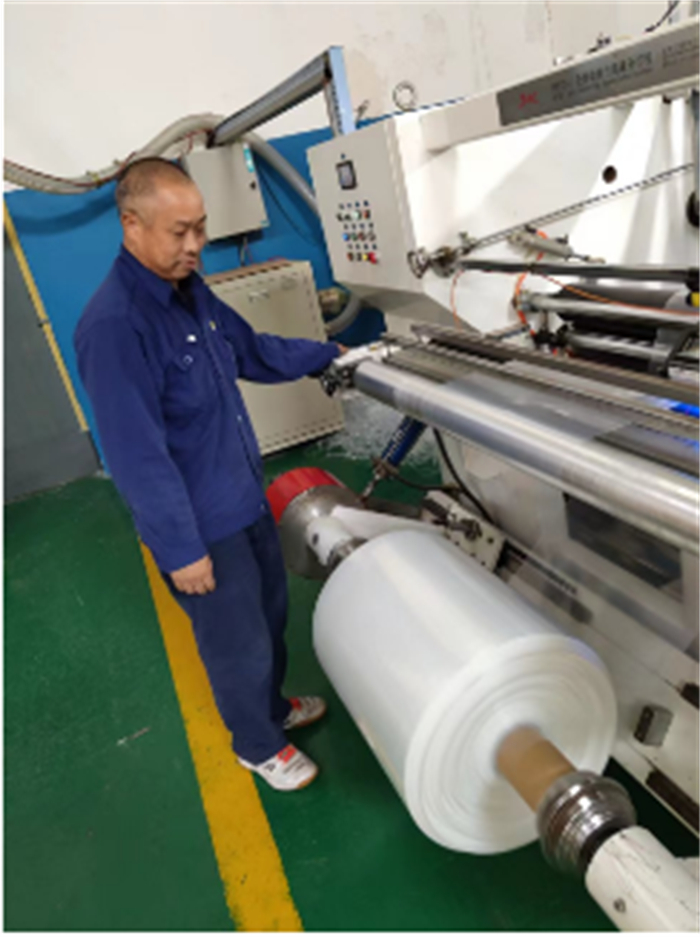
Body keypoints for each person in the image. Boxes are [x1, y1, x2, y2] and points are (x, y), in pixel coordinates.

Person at [74, 157, 346, 791]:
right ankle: (257, 744)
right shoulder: (115, 327)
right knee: (235, 640)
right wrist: (181, 550)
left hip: (243, 496)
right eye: (180, 232)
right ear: (132, 225)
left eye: (200, 227)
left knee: (269, 615)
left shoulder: (190, 291)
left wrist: (329, 355)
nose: (195, 244)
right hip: (201, 522)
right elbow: (135, 455)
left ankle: (271, 709)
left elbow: (252, 351)